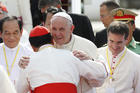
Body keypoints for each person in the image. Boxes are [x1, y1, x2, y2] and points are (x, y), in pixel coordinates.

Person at [16, 25, 107, 93]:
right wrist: (93, 59)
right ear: (52, 40)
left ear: (32, 47)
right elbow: (100, 73)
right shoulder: (71, 56)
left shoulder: (28, 62)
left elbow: (19, 90)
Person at [75, 21, 140, 93]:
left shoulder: (137, 60)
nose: (115, 46)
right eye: (111, 41)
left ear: (126, 39)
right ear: (107, 37)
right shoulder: (95, 54)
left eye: (119, 42)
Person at [0, 16, 32, 85]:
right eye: (7, 33)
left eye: (15, 33)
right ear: (0, 34)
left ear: (21, 33)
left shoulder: (29, 53)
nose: (11, 37)